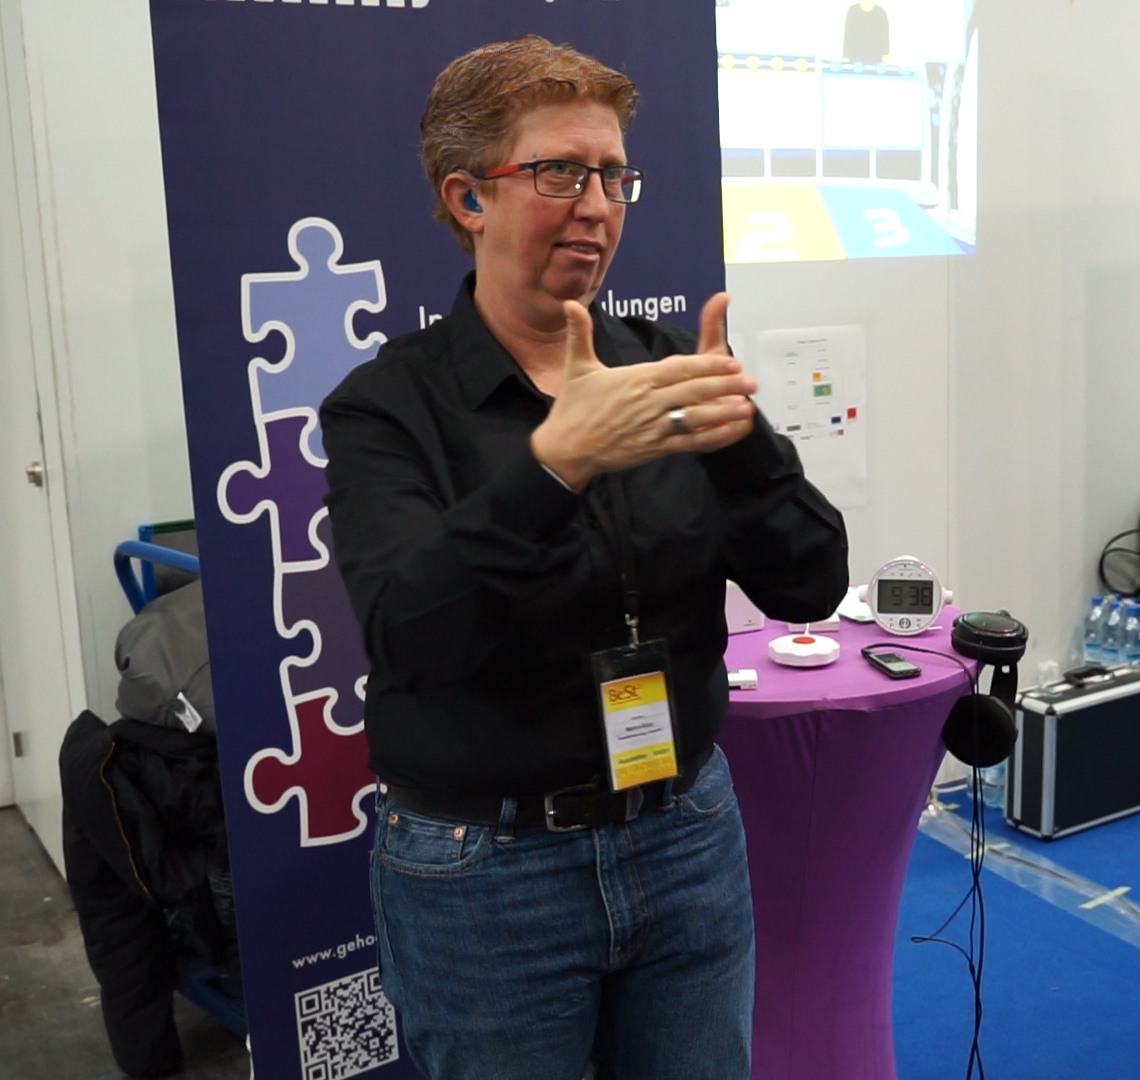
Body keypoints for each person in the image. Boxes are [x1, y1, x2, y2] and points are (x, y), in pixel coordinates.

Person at [319, 37, 850, 1080]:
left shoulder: (665, 371)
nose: (598, 206)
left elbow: (811, 583)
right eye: (561, 172)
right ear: (469, 197)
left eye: (614, 176)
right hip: (488, 871)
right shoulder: (387, 408)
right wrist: (554, 466)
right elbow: (412, 635)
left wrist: (744, 445)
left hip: (685, 830)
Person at [843, 0, 891, 65]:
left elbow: (884, 41)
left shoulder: (881, 13)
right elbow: (848, 38)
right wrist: (846, 61)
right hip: (855, 62)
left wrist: (885, 62)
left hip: (876, 62)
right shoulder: (852, 11)